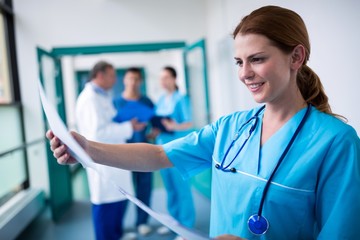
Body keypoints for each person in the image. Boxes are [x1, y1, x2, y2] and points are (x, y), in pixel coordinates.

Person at [46, 6, 360, 240]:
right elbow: (158, 155)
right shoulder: (231, 128)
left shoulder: (336, 142)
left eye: (257, 59)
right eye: (239, 61)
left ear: (296, 57)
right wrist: (87, 148)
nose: (244, 73)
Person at [75, 61, 145, 240]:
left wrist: (127, 124)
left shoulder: (102, 96)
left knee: (118, 200)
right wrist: (128, 127)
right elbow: (97, 133)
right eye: (112, 76)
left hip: (113, 156)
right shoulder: (89, 98)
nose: (115, 80)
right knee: (106, 204)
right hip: (102, 160)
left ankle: (116, 235)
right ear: (100, 76)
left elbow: (110, 121)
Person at [151, 66, 195, 239]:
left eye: (166, 77)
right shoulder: (161, 100)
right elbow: (158, 122)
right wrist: (155, 131)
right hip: (161, 149)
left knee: (182, 188)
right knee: (170, 188)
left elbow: (189, 123)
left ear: (174, 79)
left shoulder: (181, 99)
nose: (163, 81)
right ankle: (174, 223)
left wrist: (173, 126)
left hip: (177, 149)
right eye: (161, 78)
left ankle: (187, 228)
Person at [113, 67, 154, 237]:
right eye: (130, 78)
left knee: (144, 187)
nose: (133, 82)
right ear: (124, 80)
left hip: (144, 151)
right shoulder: (115, 103)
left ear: (141, 81)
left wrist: (154, 131)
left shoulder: (147, 102)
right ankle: (118, 225)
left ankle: (142, 222)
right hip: (121, 152)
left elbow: (154, 122)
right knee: (120, 189)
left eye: (136, 79)